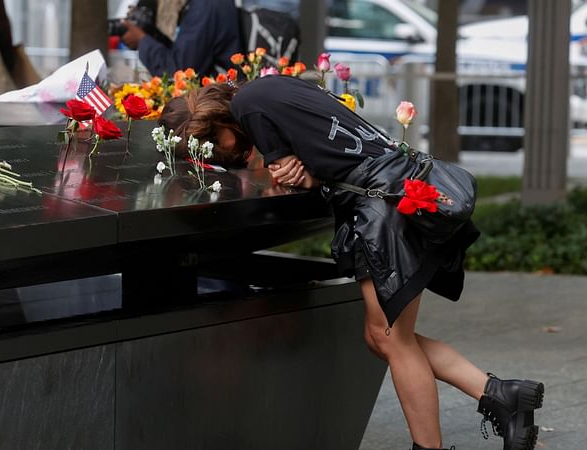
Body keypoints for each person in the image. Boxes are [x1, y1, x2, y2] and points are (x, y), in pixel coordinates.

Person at [160, 75, 545, 450]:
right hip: (396, 193)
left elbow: (282, 172)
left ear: (212, 124)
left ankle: (443, 435)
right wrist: (305, 173)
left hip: (383, 208)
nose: (223, 155)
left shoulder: (248, 106)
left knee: (392, 340)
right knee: (383, 338)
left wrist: (291, 171)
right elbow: (316, 161)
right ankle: (500, 395)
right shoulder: (270, 89)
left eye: (211, 146)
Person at [120, 0, 242, 77]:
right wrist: (151, 34)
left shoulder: (205, 5)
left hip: (222, 98)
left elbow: (181, 72)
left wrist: (142, 41)